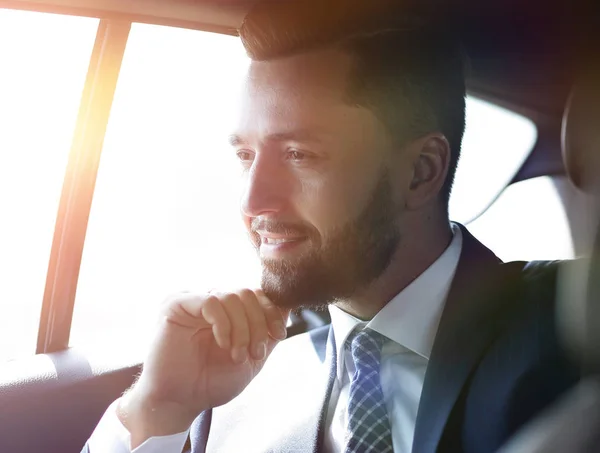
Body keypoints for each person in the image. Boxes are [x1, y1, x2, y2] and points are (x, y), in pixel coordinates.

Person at [83, 2, 579, 452]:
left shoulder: (574, 333)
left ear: (421, 170)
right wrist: (156, 408)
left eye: (299, 155)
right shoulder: (231, 391)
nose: (253, 201)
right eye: (246, 156)